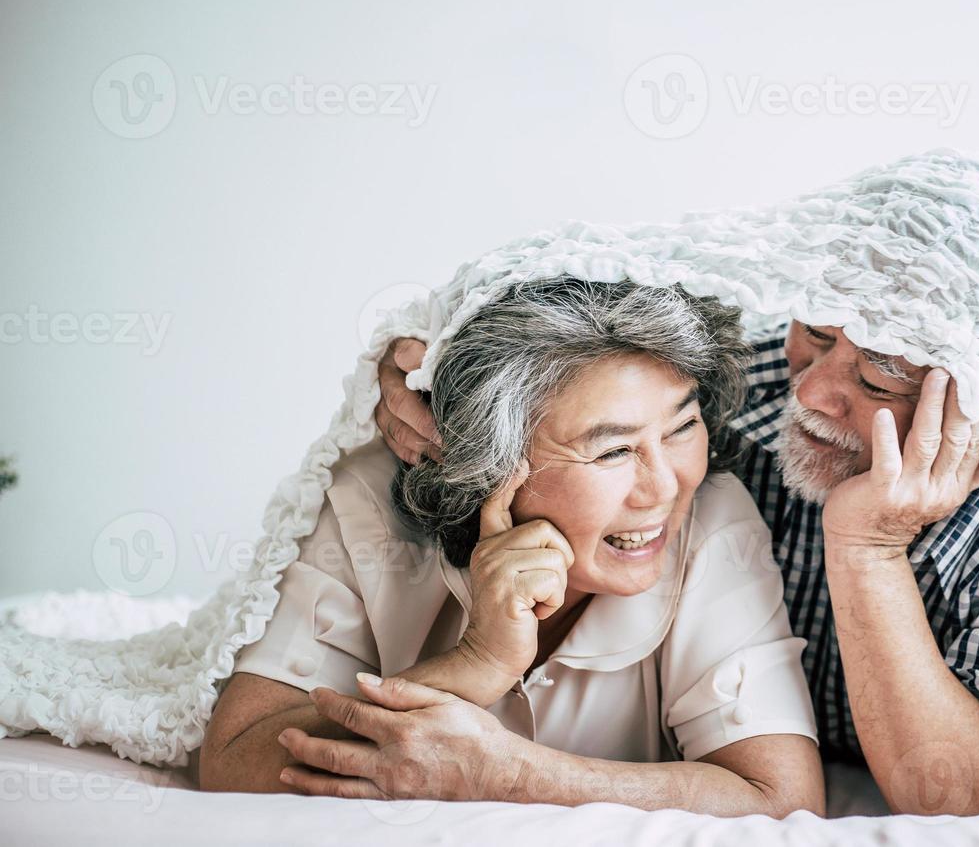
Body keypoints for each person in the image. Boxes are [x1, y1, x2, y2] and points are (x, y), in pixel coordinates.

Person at [378, 316, 979, 815]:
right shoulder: (758, 380)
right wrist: (421, 363)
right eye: (816, 334)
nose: (807, 390)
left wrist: (867, 548)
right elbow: (578, 332)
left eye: (877, 378)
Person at [198, 278, 823, 817]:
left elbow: (780, 799)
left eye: (684, 427)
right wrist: (473, 665)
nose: (665, 485)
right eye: (612, 450)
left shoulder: (714, 518)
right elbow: (234, 762)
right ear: (487, 462)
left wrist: (513, 776)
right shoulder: (365, 505)